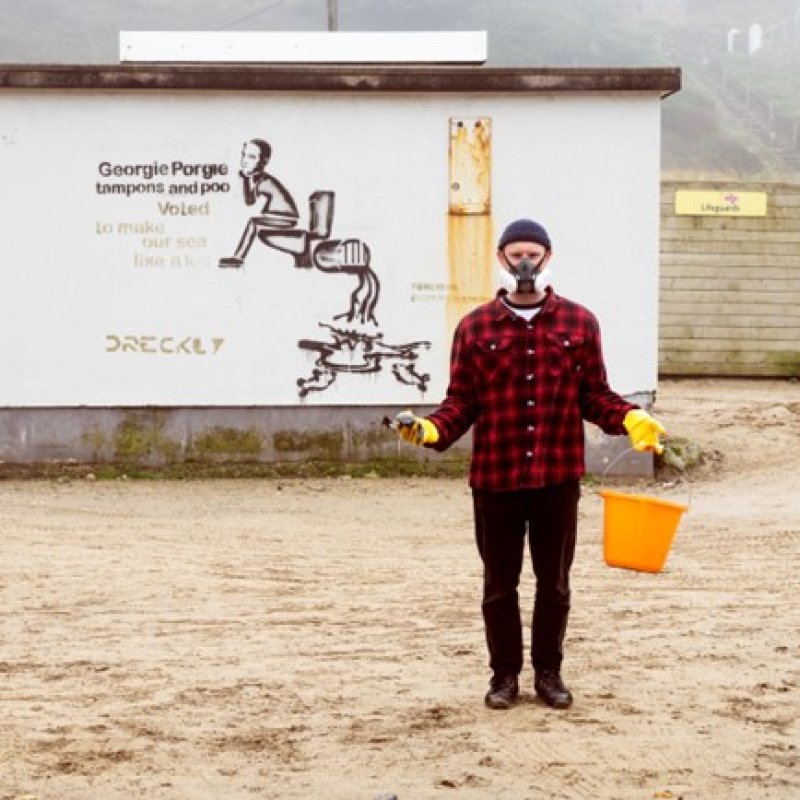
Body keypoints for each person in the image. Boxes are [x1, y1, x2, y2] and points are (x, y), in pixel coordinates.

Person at [391, 218, 665, 711]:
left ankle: (548, 673)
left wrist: (630, 417)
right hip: (494, 480)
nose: (524, 262)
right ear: (501, 259)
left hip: (556, 479)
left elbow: (595, 395)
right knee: (499, 585)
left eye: (533, 254)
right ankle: (503, 676)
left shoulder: (579, 323)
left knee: (554, 584)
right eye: (515, 253)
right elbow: (461, 402)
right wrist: (431, 430)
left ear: (547, 258)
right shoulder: (475, 327)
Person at [219, 138, 299, 268]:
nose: (244, 161)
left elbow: (249, 201)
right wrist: (245, 180)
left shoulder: (264, 181)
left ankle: (238, 258)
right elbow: (250, 200)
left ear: (263, 161)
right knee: (254, 222)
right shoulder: (258, 179)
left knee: (254, 222)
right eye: (243, 155)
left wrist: (245, 180)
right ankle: (238, 257)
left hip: (285, 217)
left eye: (251, 157)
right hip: (278, 216)